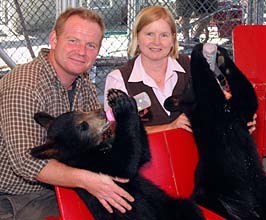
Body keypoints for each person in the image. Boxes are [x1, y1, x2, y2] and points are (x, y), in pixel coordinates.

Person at [0, 8, 133, 220]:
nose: (81, 51)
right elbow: (26, 162)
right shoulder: (24, 86)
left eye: (91, 45)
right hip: (18, 198)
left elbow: (96, 140)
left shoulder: (82, 81)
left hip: (66, 186)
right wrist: (88, 180)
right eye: (73, 41)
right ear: (54, 39)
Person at [104, 5, 256, 134]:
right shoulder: (118, 78)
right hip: (146, 165)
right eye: (149, 34)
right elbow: (116, 132)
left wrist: (240, 118)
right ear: (137, 36)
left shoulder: (193, 66)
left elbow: (222, 101)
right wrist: (169, 127)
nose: (156, 42)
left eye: (164, 35)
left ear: (173, 38)